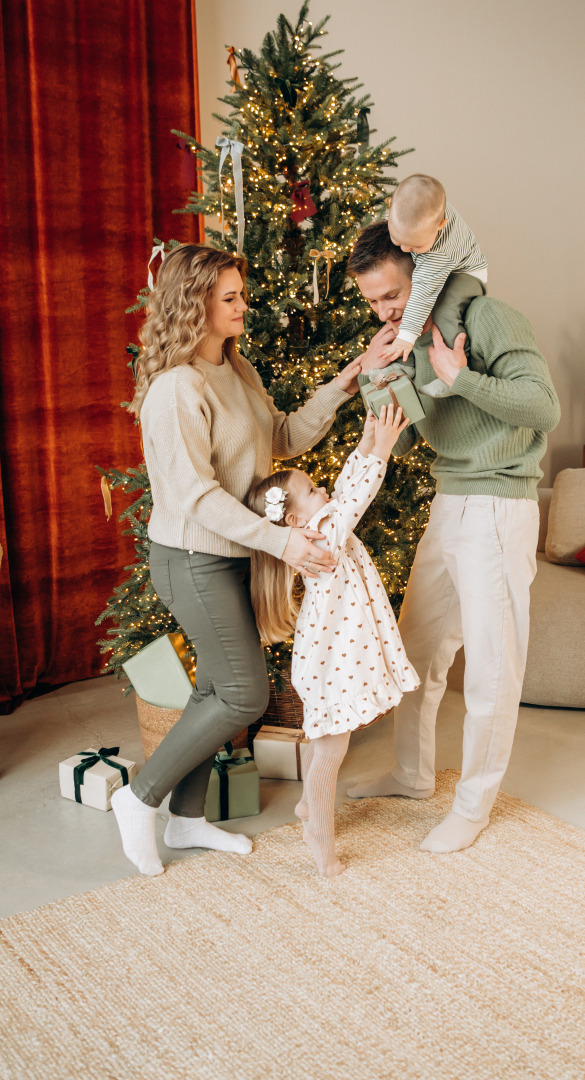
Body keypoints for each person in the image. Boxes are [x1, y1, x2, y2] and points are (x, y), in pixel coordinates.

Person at [111, 243, 363, 876]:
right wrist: (283, 542)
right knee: (245, 694)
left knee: (218, 690)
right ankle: (138, 799)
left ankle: (188, 818)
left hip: (232, 556)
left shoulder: (235, 367)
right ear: (195, 305)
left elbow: (278, 436)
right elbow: (197, 497)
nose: (244, 306)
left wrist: (342, 385)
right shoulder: (176, 389)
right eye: (231, 298)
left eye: (240, 295)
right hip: (192, 560)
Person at [345, 221, 561, 854]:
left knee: (493, 665)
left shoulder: (492, 318)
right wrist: (375, 375)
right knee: (415, 646)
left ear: (421, 270)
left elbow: (543, 406)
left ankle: (473, 805)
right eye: (374, 302)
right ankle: (412, 775)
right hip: (451, 499)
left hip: (500, 503)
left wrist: (460, 376)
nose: (386, 310)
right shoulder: (407, 337)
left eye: (391, 294)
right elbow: (404, 431)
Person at [247, 405, 419, 877]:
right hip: (330, 668)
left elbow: (343, 491)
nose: (322, 489)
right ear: (294, 521)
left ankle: (307, 808)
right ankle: (319, 838)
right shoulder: (321, 540)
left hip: (335, 660)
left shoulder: (322, 527)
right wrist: (380, 453)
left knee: (331, 746)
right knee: (329, 752)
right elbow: (352, 501)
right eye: (311, 490)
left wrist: (367, 442)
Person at [377, 174, 488, 399]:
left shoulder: (440, 252)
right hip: (432, 264)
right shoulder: (404, 213)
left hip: (465, 272)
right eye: (398, 240)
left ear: (441, 225)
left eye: (416, 244)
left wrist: (407, 336)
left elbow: (422, 294)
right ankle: (405, 364)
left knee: (443, 310)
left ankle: (454, 372)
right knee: (401, 305)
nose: (406, 249)